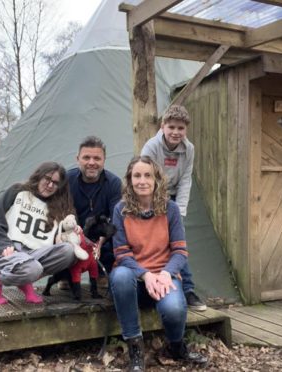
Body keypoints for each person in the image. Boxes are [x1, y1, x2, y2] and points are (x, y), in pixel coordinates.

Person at [110, 156, 208, 371]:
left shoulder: (170, 209)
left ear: (157, 180)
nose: (142, 181)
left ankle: (176, 346)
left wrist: (165, 274)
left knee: (174, 309)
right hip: (135, 279)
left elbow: (180, 251)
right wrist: (145, 275)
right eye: (137, 175)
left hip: (164, 276)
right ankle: (136, 349)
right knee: (120, 275)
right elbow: (122, 253)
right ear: (130, 179)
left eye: (148, 175)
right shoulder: (121, 210)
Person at [141, 105, 207, 311]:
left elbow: (186, 179)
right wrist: (156, 208)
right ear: (163, 127)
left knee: (179, 241)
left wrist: (179, 211)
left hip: (174, 196)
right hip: (152, 195)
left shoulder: (189, 150)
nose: (176, 132)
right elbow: (146, 177)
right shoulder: (151, 147)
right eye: (171, 127)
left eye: (180, 128)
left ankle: (187, 290)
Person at [0, 162, 77, 305]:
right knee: (33, 268)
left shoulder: (58, 207)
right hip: (8, 251)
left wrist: (73, 233)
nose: (50, 185)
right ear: (39, 176)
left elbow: (62, 235)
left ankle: (25, 277)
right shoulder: (17, 190)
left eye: (55, 183)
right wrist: (3, 245)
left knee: (70, 251)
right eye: (47, 179)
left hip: (35, 254)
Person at [67, 136, 122, 275]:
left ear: (104, 160)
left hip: (100, 238)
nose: (91, 162)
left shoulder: (114, 184)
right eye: (86, 158)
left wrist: (99, 242)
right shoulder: (66, 180)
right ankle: (66, 275)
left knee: (119, 234)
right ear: (77, 159)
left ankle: (102, 274)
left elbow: (116, 221)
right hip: (72, 237)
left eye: (97, 158)